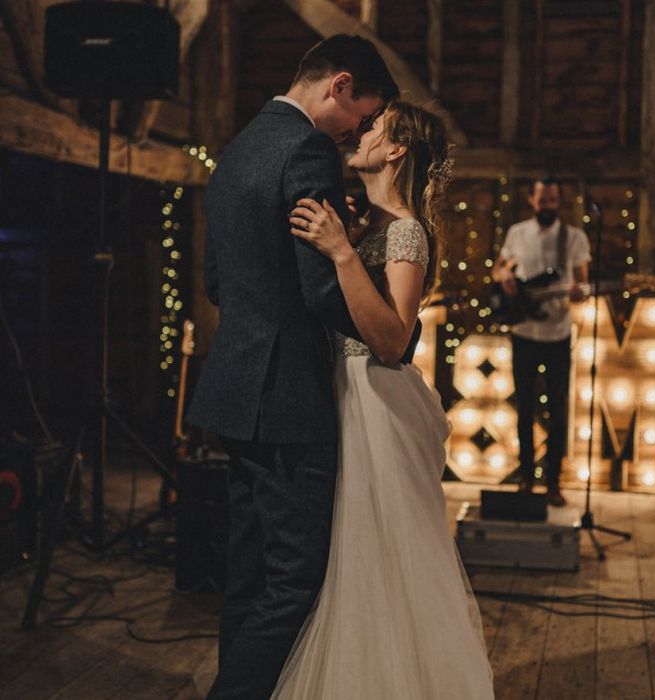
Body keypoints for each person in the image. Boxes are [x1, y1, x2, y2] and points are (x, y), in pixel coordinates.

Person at [186, 35, 411, 699]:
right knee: (293, 583)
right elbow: (320, 291)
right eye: (362, 115)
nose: (357, 131)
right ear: (340, 86)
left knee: (248, 576)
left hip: (232, 388)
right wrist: (389, 334)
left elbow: (215, 281)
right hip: (286, 396)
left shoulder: (238, 147)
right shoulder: (308, 147)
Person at [275, 101, 494, 699]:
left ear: (396, 150)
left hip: (377, 399)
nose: (360, 130)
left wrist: (343, 254)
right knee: (352, 554)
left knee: (383, 552)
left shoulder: (405, 231)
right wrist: (349, 238)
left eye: (374, 127)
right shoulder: (371, 223)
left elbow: (394, 340)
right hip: (346, 395)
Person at [491, 176, 590, 507]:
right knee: (525, 408)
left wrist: (579, 294)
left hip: (558, 333)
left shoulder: (574, 237)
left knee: (558, 408)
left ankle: (553, 481)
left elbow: (582, 284)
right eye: (542, 199)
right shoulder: (517, 233)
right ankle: (525, 477)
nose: (547, 205)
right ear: (532, 200)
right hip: (524, 332)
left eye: (553, 200)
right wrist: (505, 278)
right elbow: (499, 270)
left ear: (559, 202)